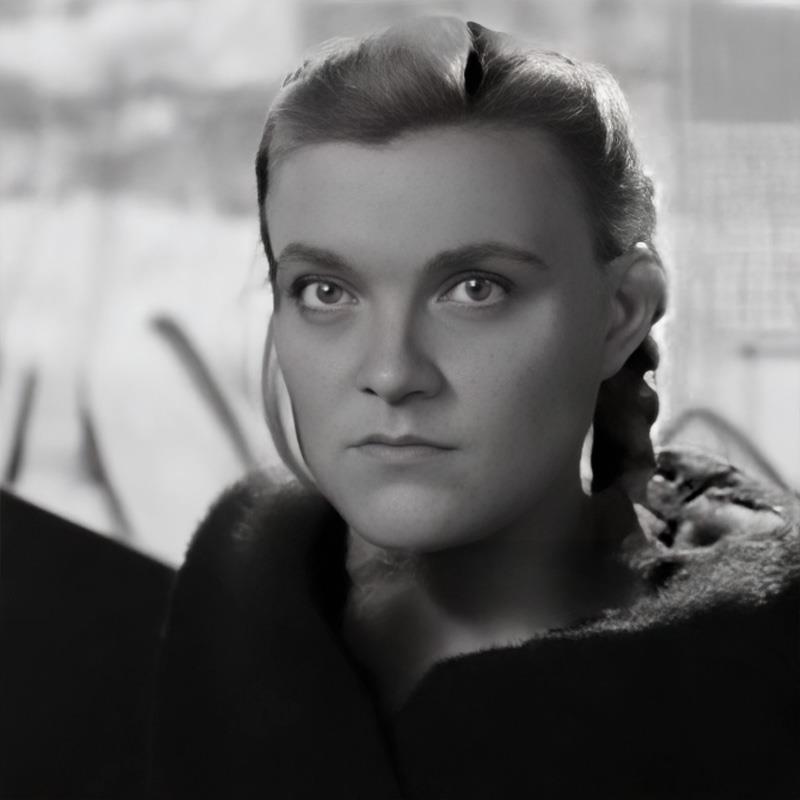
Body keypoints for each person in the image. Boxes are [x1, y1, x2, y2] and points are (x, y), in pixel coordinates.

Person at [148, 17, 800, 799]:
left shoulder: (758, 695)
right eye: (326, 291)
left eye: (475, 289)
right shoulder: (219, 635)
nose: (392, 373)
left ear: (621, 313)